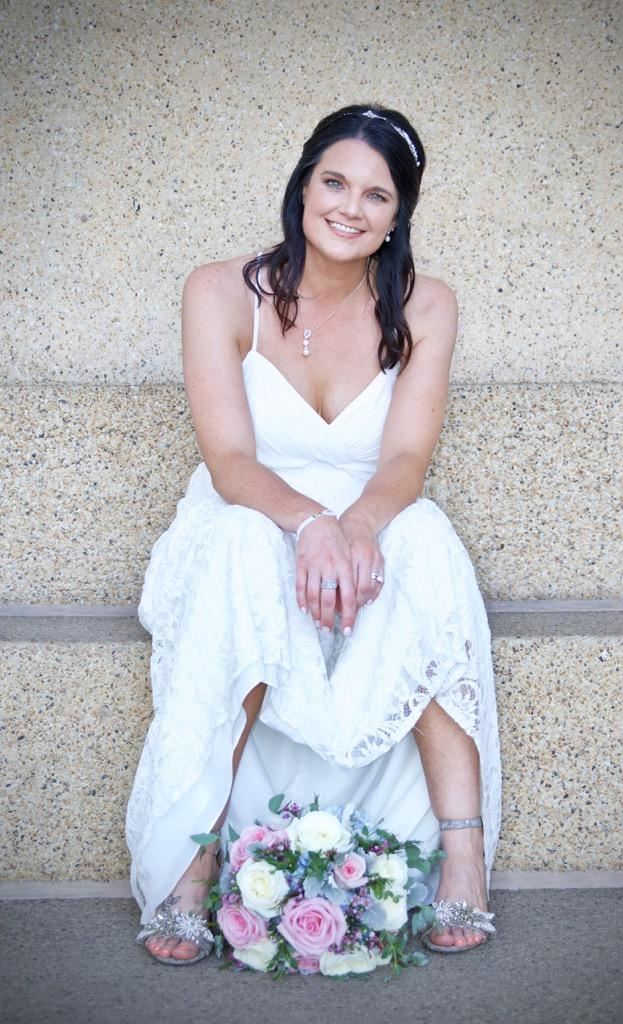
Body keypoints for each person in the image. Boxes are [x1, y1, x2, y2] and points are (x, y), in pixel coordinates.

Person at [126, 104, 502, 966]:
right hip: (251, 507)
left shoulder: (426, 305)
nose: (350, 207)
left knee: (430, 544)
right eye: (334, 182)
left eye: (377, 195)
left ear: (397, 215)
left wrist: (358, 525)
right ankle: (196, 861)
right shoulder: (220, 291)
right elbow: (227, 458)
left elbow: (406, 454)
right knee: (241, 550)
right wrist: (311, 525)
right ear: (303, 187)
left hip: (370, 508)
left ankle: (463, 858)